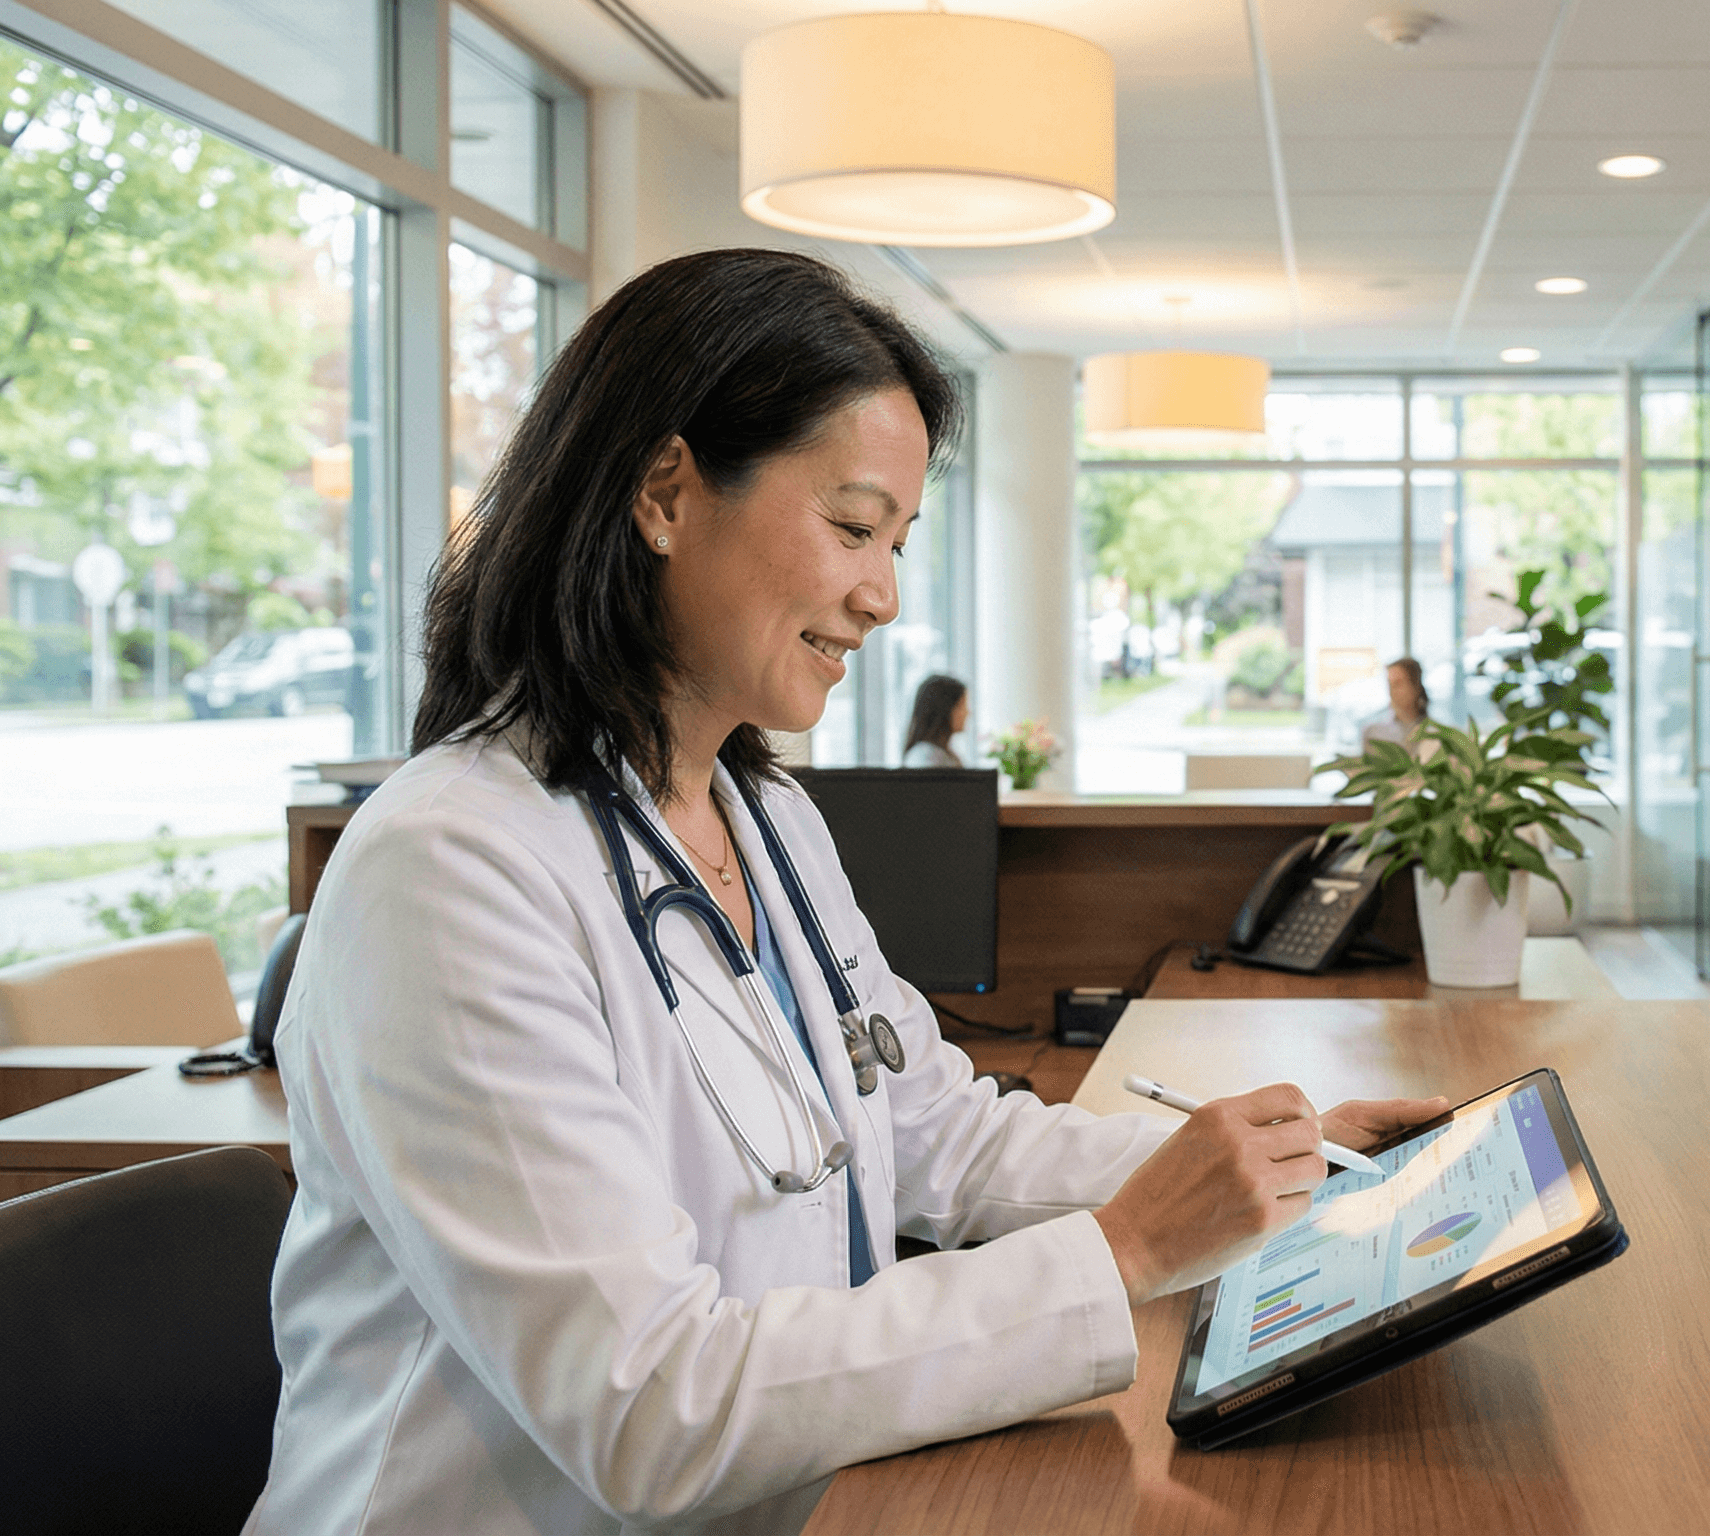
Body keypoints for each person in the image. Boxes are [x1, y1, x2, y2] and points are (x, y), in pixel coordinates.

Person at [248, 249, 1444, 1535]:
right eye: (853, 527)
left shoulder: (766, 822)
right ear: (664, 493)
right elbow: (648, 1406)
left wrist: (1271, 1161)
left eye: (899, 542)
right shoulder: (451, 869)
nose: (882, 596)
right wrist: (1127, 1251)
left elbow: (939, 1138)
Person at [1359, 656, 1431, 752]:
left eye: (1398, 684)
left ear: (1416, 686)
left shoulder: (1434, 732)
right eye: (1390, 684)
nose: (1392, 691)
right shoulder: (1374, 733)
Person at [900, 672, 966, 767]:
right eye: (961, 706)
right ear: (945, 709)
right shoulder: (925, 757)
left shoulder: (946, 755)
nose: (967, 712)